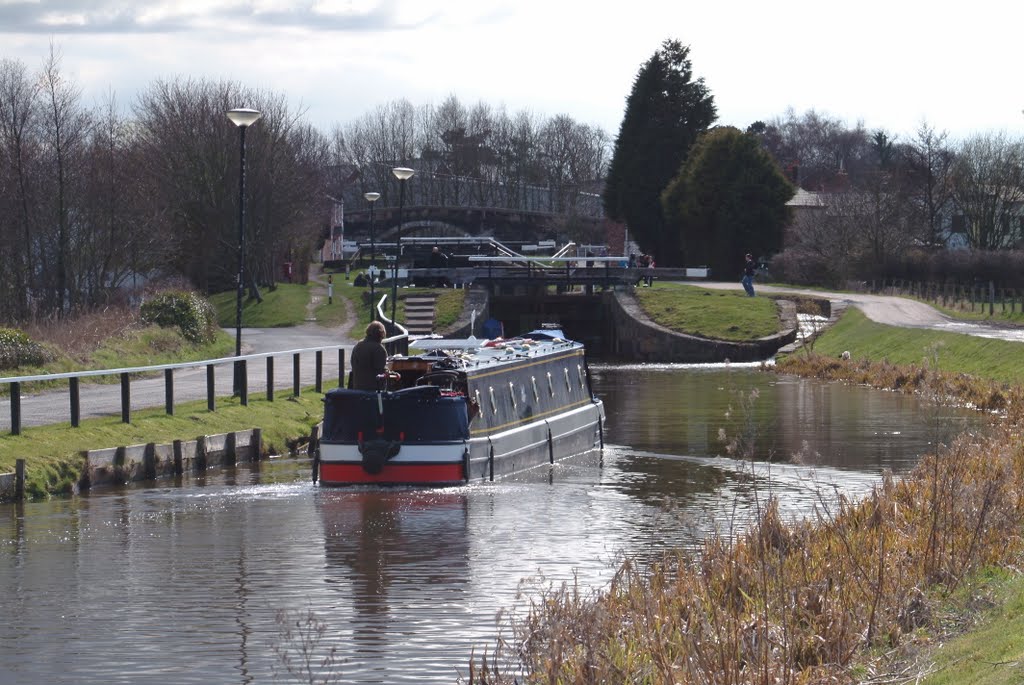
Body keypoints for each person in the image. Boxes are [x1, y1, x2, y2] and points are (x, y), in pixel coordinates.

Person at [349, 321, 388, 390]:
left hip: (357, 387)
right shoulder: (379, 349)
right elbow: (381, 370)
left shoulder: (358, 346)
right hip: (374, 389)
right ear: (381, 334)